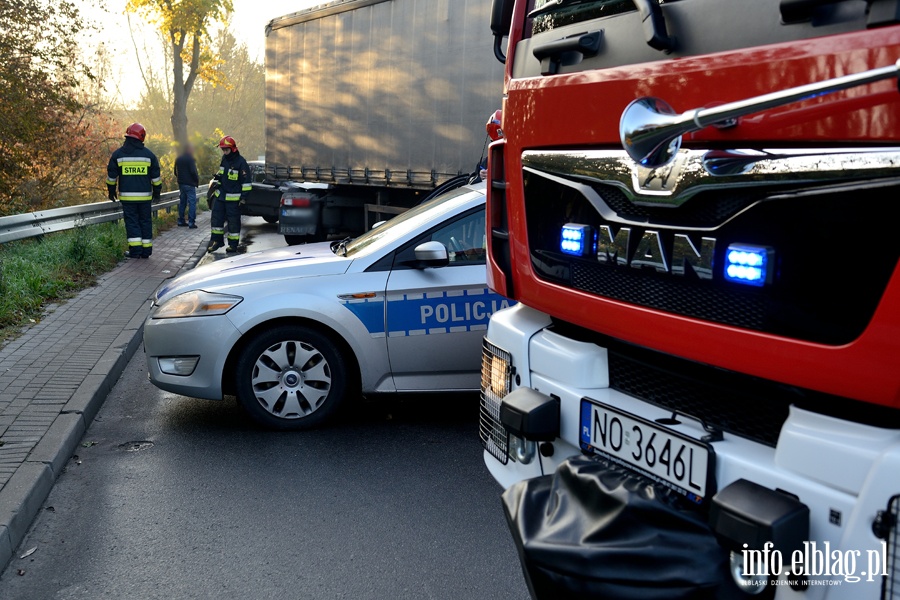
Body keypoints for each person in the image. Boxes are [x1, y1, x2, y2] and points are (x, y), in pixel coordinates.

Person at [107, 123, 162, 258]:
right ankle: (146, 251)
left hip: (127, 198)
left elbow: (111, 177)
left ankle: (135, 251)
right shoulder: (149, 156)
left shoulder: (118, 155)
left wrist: (111, 191)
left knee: (132, 222)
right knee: (145, 221)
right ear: (142, 137)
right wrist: (157, 193)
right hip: (145, 198)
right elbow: (156, 179)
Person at [208, 135, 251, 253]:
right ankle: (217, 242)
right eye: (223, 150)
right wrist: (217, 180)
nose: (225, 152)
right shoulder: (224, 159)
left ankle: (232, 245)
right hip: (220, 196)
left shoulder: (241, 163)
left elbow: (246, 183)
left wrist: (243, 198)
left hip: (233, 200)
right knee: (216, 220)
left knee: (233, 223)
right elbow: (222, 174)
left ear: (233, 149)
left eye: (226, 150)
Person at [174, 143, 200, 229]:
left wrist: (179, 179)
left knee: (182, 202)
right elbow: (193, 172)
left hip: (181, 184)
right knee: (192, 203)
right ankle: (191, 222)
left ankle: (181, 220)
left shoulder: (178, 158)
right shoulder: (190, 159)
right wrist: (196, 180)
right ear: (188, 149)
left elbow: (175, 171)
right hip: (190, 184)